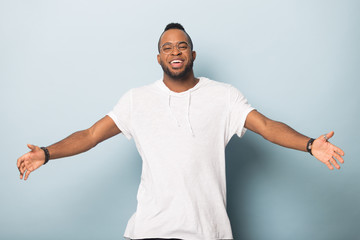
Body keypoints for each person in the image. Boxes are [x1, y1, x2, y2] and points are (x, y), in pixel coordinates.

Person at [17, 23, 345, 240]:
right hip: (150, 231)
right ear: (158, 57)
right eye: (168, 47)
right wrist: (46, 153)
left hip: (208, 232)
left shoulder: (223, 95)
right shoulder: (137, 100)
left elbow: (266, 126)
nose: (176, 52)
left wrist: (310, 144)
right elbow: (90, 135)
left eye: (182, 46)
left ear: (192, 54)